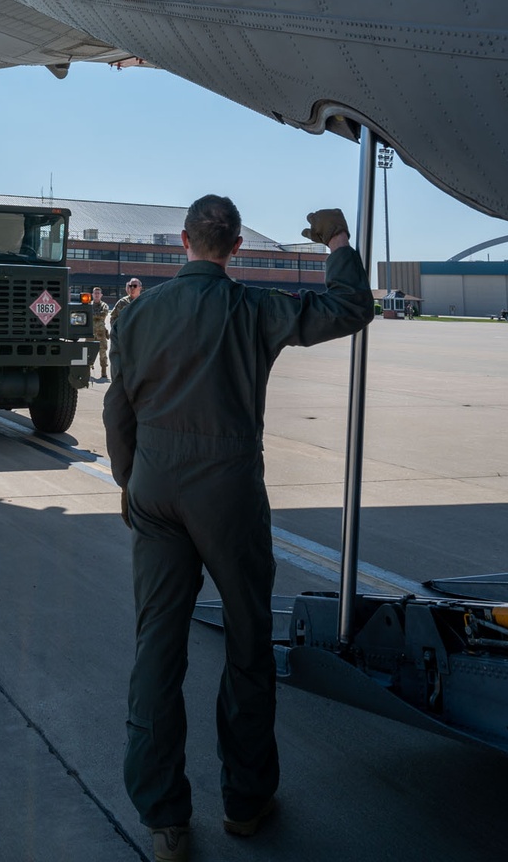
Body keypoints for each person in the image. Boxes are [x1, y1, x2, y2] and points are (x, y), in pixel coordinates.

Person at [103, 197, 373, 861]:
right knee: (248, 641)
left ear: (184, 242)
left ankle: (165, 818)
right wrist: (337, 242)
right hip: (228, 489)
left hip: (157, 488)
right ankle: (246, 802)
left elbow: (116, 410)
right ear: (237, 245)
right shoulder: (253, 308)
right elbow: (349, 309)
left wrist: (131, 481)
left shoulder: (137, 314)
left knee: (157, 649)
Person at [90, 286, 111, 379]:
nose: (97, 295)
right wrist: (96, 315)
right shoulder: (88, 305)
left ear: (101, 295)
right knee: (88, 353)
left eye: (98, 293)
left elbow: (103, 314)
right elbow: (86, 315)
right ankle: (87, 372)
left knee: (103, 354)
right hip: (90, 334)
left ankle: (103, 373)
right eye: (95, 293)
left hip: (101, 333)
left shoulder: (104, 305)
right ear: (92, 295)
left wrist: (92, 315)